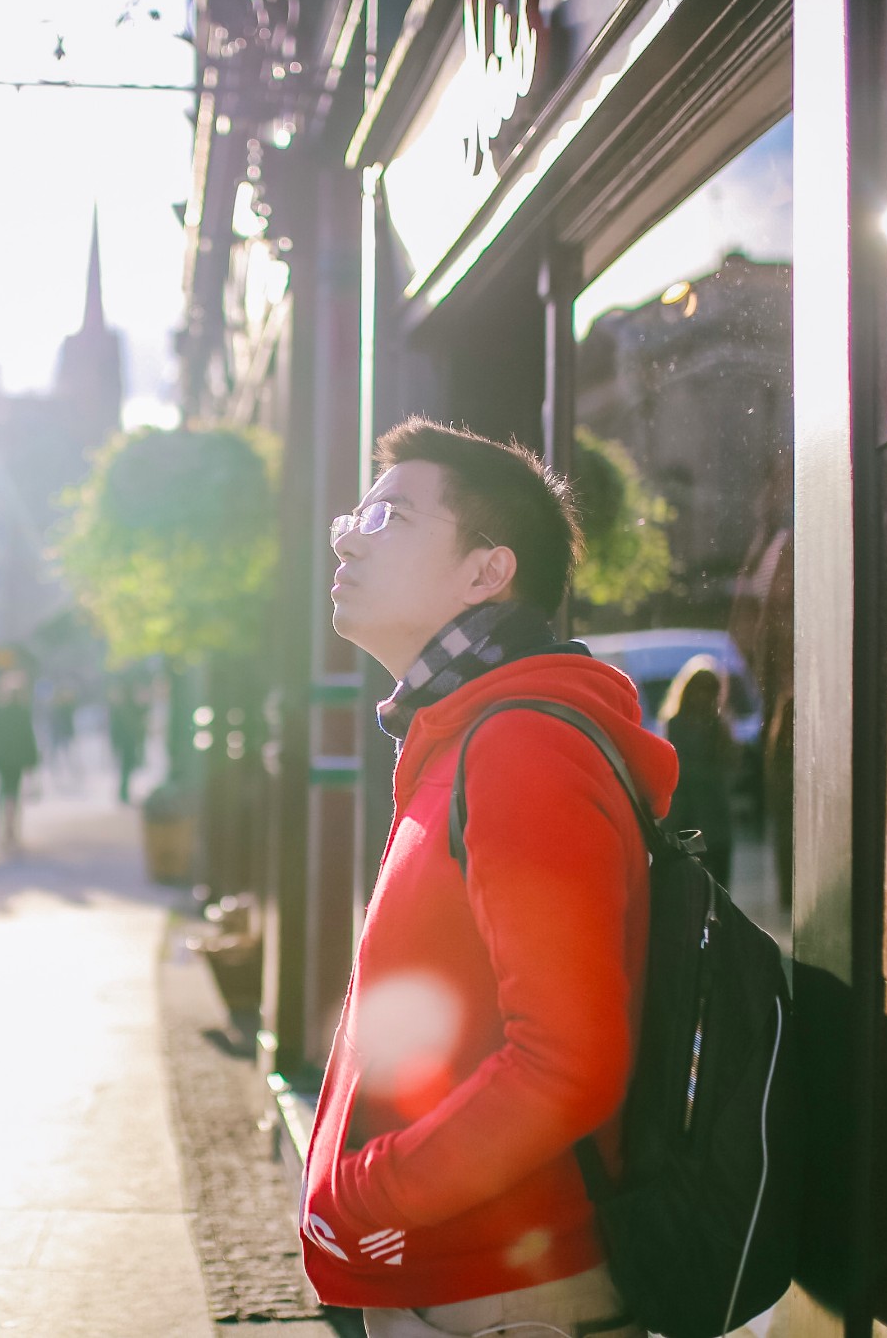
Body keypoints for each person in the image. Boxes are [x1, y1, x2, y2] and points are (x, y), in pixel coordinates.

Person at [302, 418, 677, 1338]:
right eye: (358, 512)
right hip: (461, 1282)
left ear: (487, 572)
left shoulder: (519, 745)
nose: (346, 532)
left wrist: (369, 1190)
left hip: (502, 1299)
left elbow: (568, 1063)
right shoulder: (464, 734)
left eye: (389, 517)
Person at [662, 662, 736, 890]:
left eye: (709, 691)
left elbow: (728, 770)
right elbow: (683, 770)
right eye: (700, 690)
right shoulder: (677, 725)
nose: (704, 697)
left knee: (718, 888)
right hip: (688, 817)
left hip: (715, 818)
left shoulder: (719, 728)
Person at [0, 669, 40, 851]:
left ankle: (3, 826)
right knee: (14, 792)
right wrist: (32, 760)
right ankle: (12, 826)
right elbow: (28, 738)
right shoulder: (23, 713)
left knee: (2, 792)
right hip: (17, 759)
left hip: (2, 758)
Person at [106, 672, 148, 805]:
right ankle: (123, 793)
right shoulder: (123, 707)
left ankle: (123, 793)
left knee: (127, 767)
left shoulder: (122, 706)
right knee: (127, 767)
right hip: (128, 742)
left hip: (128, 742)